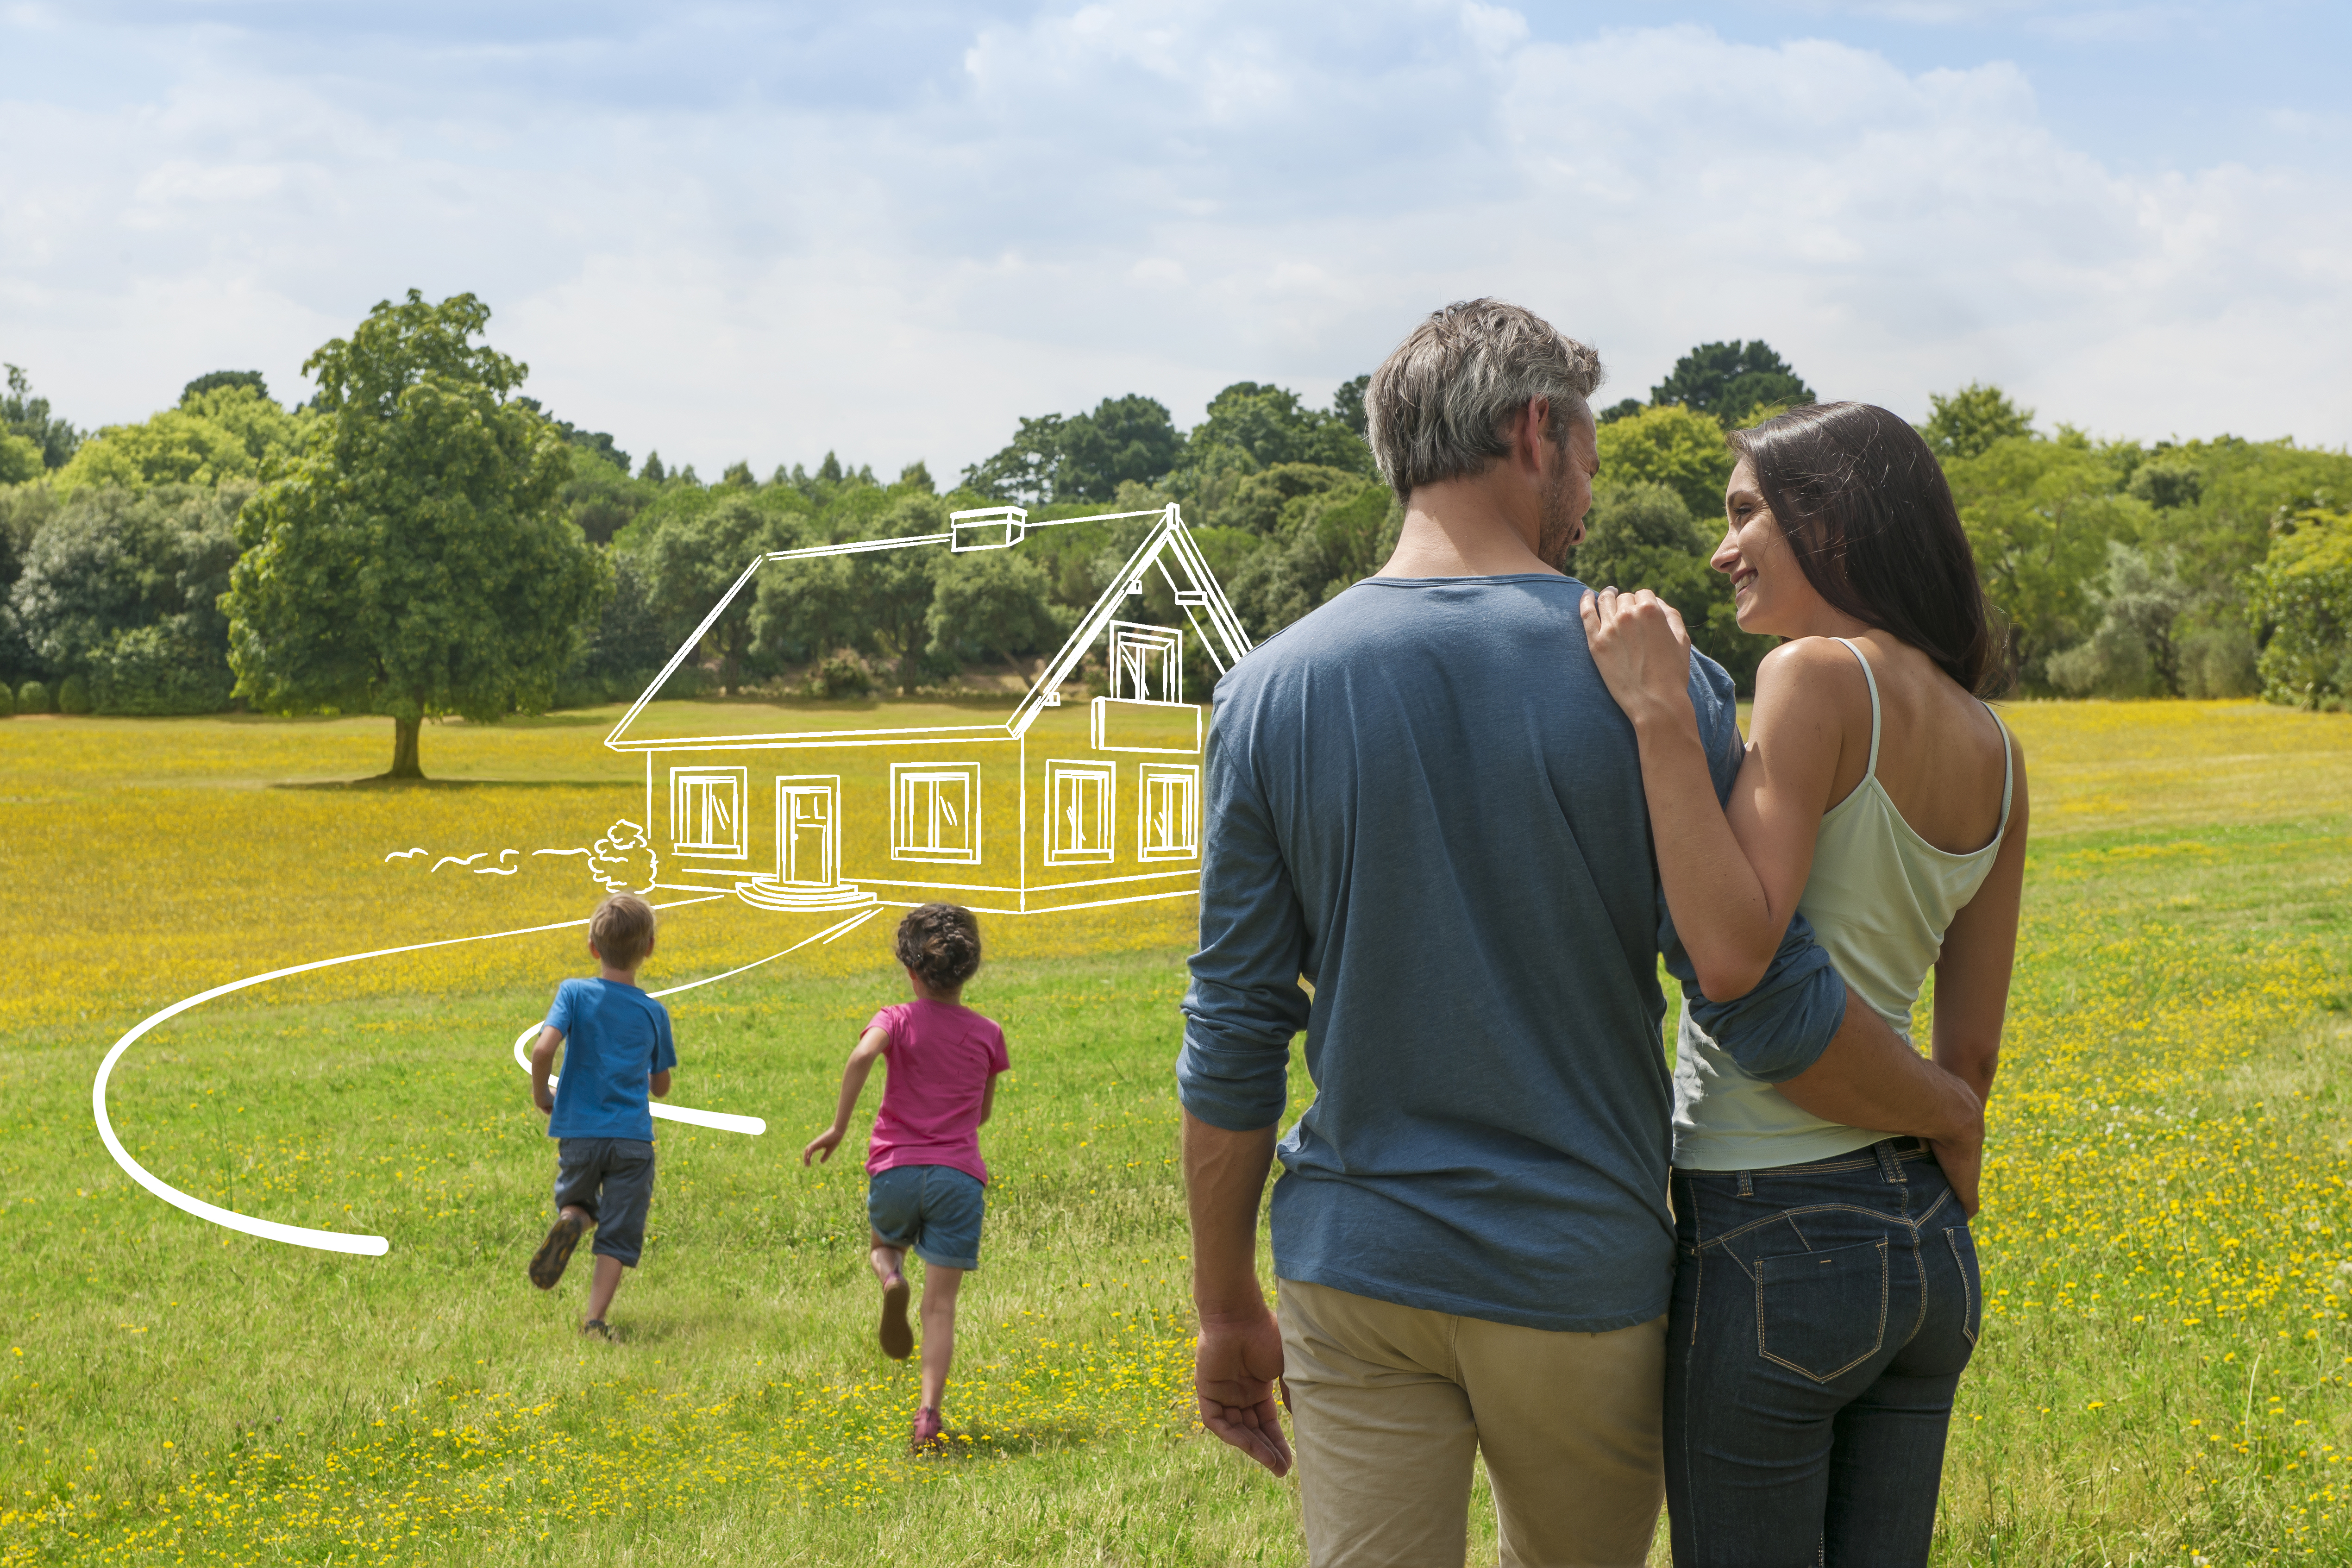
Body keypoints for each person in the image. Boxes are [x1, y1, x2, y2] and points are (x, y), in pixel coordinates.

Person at [1177, 299, 1986, 1567]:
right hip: (1579, 1278)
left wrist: (1224, 1303)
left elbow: (1232, 1025)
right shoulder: (1655, 679)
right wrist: (1938, 1105)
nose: (1587, 506)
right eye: (1589, 465)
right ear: (1531, 431)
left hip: (1354, 1266)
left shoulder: (1264, 690)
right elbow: (1752, 995)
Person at [1580, 401, 2028, 1567]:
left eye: (1744, 515)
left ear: (1829, 521)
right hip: (1928, 1251)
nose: (1720, 551)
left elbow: (1730, 955)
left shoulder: (1812, 675)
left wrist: (1658, 712)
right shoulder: (1993, 744)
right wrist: (1947, 1142)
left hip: (1767, 1231)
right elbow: (1967, 1058)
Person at [803, 903, 1009, 1454]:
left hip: (895, 1169)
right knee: (940, 1307)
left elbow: (861, 1055)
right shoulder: (989, 1033)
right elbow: (982, 1114)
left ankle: (891, 1278)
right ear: (969, 969)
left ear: (910, 971)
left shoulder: (894, 1018)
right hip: (959, 1178)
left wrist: (839, 1126)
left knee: (882, 1248)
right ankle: (928, 1414)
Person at [526, 891, 677, 1340]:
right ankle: (595, 1320)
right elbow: (661, 1085)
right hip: (631, 1139)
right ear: (649, 947)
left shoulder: (573, 992)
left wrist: (542, 1094)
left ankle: (572, 1219)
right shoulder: (653, 1011)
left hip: (579, 1132)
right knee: (619, 1228)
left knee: (578, 1203)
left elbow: (543, 1049)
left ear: (593, 946)